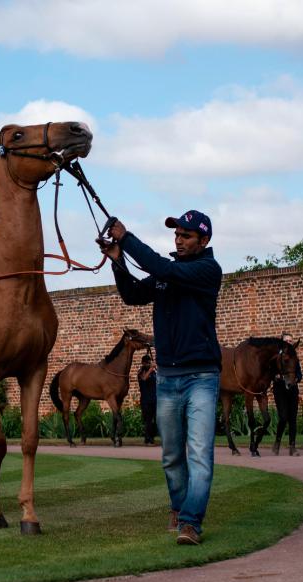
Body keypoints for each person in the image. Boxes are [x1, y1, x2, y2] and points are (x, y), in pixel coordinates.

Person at [98, 209, 222, 546]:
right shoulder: (169, 274)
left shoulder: (208, 270)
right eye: (176, 235)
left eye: (186, 236)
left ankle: (190, 522)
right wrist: (118, 261)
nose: (178, 240)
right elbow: (133, 295)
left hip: (201, 378)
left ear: (204, 240)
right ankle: (180, 508)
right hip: (168, 378)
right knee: (171, 455)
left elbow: (160, 266)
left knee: (198, 454)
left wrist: (126, 237)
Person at [272, 332, 302, 457]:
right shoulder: (276, 357)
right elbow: (271, 373)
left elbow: (299, 374)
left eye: (291, 341)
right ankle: (277, 442)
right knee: (283, 417)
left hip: (293, 389)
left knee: (293, 419)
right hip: (280, 389)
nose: (289, 342)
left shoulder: (294, 357)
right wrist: (276, 376)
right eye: (287, 341)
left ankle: (292, 447)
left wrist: (296, 379)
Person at [137, 354, 158, 445]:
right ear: (142, 363)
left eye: (149, 362)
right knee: (148, 420)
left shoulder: (154, 372)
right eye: (146, 362)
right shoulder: (141, 371)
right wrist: (150, 369)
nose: (148, 364)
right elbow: (144, 378)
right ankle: (148, 439)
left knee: (155, 420)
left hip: (154, 399)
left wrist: (155, 369)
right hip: (145, 400)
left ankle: (151, 437)